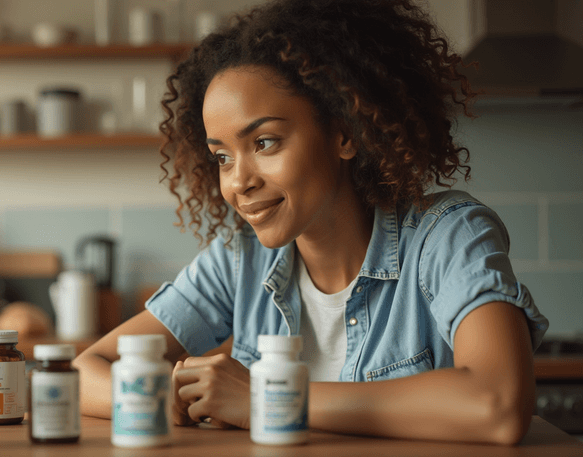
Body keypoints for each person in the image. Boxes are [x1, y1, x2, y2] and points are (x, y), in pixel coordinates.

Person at [73, 0, 549, 445]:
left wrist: (266, 397)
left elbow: (499, 405)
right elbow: (81, 372)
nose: (239, 182)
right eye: (221, 156)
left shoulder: (447, 235)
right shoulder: (240, 262)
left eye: (264, 143)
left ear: (344, 132)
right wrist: (157, 394)